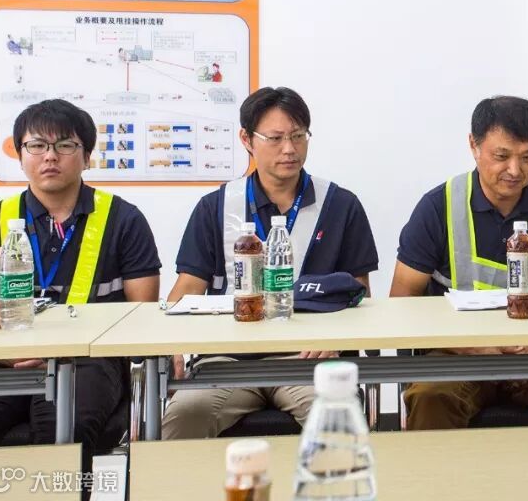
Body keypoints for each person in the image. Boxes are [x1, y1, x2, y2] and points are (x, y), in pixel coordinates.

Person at [161, 86, 379, 438]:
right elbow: (187, 288)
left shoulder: (340, 205)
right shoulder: (215, 207)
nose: (289, 149)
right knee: (185, 417)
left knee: (337, 423)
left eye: (298, 136)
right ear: (247, 139)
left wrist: (337, 339)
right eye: (275, 138)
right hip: (226, 358)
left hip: (309, 358)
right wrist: (171, 344)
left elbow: (361, 293)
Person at [391, 95, 528, 429]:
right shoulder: (440, 206)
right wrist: (469, 347)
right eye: (502, 156)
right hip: (458, 355)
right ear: (474, 145)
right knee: (430, 395)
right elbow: (401, 303)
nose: (515, 170)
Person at [0, 99, 161, 473]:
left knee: (62, 431)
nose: (50, 156)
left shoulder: (124, 220)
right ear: (20, 155)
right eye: (36, 145)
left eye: (64, 145)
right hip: (3, 360)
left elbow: (142, 316)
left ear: (87, 156)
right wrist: (4, 355)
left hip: (90, 362)